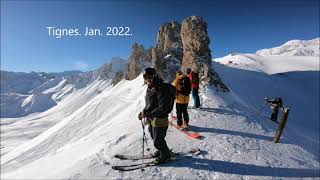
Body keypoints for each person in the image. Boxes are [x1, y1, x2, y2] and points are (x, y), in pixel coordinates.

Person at [138, 67, 172, 164]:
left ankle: (165, 155)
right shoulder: (150, 88)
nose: (147, 79)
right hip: (152, 118)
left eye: (150, 76)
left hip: (160, 119)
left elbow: (163, 107)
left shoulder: (160, 88)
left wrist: (148, 113)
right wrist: (143, 112)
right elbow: (149, 104)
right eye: (145, 77)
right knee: (154, 136)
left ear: (154, 76)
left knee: (158, 140)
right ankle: (161, 151)